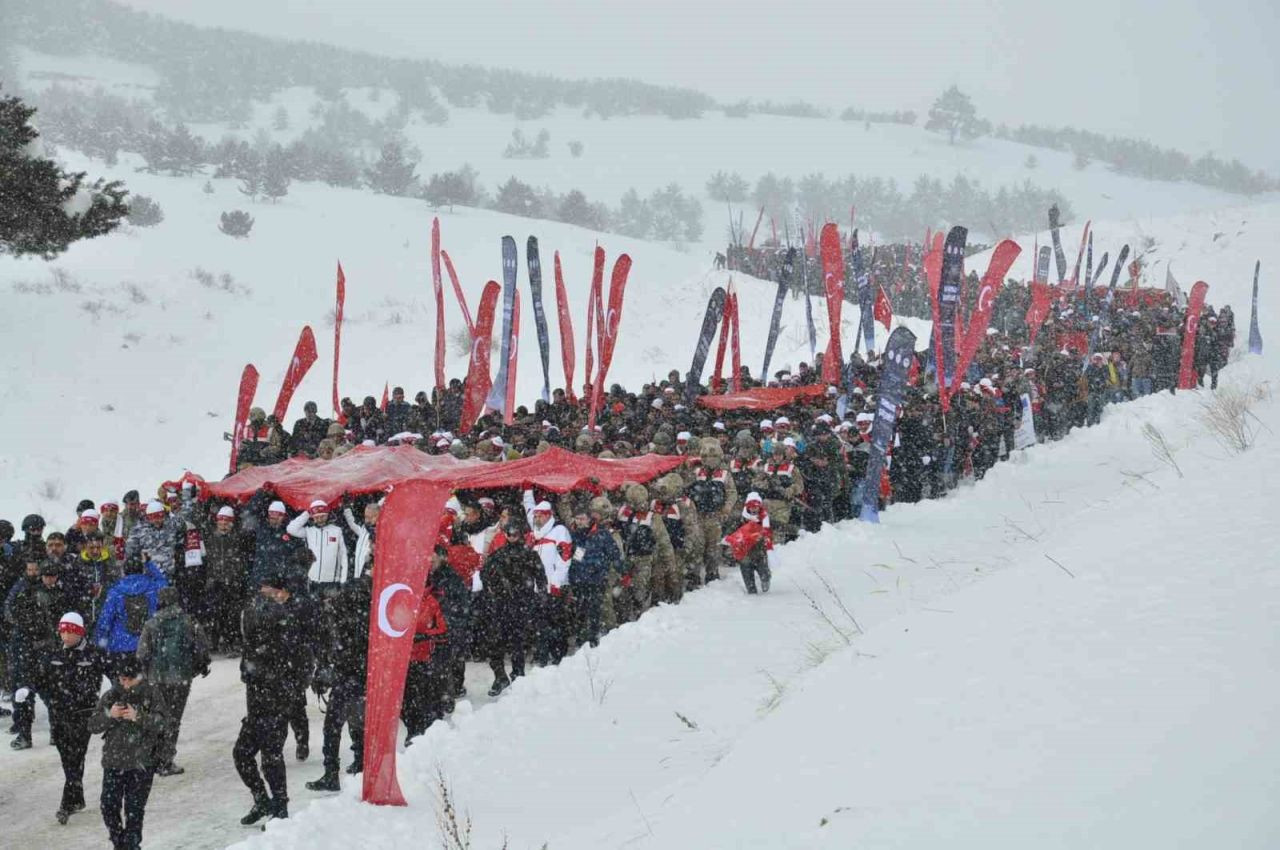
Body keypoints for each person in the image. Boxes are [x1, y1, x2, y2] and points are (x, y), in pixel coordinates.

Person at [234, 568, 309, 824]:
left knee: (271, 758)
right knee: (242, 754)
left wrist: (291, 692)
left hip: (276, 704)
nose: (262, 598)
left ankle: (280, 809)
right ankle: (262, 800)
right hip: (256, 706)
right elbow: (247, 663)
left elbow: (302, 662)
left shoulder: (286, 626)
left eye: (268, 592)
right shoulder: (255, 629)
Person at [32, 611, 107, 824]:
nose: (65, 636)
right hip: (58, 716)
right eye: (62, 632)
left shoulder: (93, 654)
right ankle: (77, 797)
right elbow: (40, 681)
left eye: (70, 632)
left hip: (83, 715)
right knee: (68, 759)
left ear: (79, 633)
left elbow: (115, 676)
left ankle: (66, 804)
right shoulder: (54, 654)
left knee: (75, 756)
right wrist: (50, 701)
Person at [87, 654, 168, 850]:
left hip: (141, 763)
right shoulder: (111, 695)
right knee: (108, 807)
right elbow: (92, 725)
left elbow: (163, 724)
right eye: (121, 679)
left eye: (127, 679)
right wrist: (110, 715)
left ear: (137, 676)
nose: (124, 683)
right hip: (113, 762)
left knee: (134, 810)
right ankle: (119, 844)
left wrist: (138, 716)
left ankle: (131, 846)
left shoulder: (151, 693)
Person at [306, 569, 370, 791]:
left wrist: (327, 673)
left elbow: (337, 652)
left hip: (347, 679)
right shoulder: (363, 619)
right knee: (356, 725)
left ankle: (333, 772)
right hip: (357, 679)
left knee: (334, 727)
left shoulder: (342, 620)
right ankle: (359, 764)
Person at [136, 587, 211, 777]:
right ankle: (165, 760)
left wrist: (147, 673)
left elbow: (142, 654)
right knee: (173, 719)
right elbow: (201, 648)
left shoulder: (151, 624)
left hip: (156, 678)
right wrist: (199, 666)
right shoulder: (188, 622)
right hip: (181, 678)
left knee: (156, 716)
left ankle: (151, 757)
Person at [6, 559, 72, 749]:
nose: (49, 579)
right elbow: (17, 618)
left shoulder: (60, 595)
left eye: (52, 576)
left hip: (48, 651)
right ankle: (26, 734)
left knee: (53, 693)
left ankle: (55, 733)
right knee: (26, 693)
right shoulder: (27, 594)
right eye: (46, 576)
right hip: (29, 651)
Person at [482, 510, 544, 697]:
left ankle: (518, 674)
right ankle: (500, 676)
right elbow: (484, 574)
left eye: (515, 533)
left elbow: (541, 578)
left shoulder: (530, 555)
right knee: (495, 643)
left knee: (517, 643)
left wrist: (539, 598)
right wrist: (492, 585)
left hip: (521, 604)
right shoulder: (498, 555)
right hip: (501, 604)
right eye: (509, 533)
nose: (512, 537)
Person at [521, 490, 573, 665]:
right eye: (536, 516)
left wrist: (556, 583)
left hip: (555, 587)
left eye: (541, 516)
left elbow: (565, 560)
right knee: (539, 623)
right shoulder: (534, 534)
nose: (537, 519)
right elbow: (528, 508)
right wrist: (527, 492)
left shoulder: (559, 531)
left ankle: (558, 654)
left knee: (556, 622)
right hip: (538, 588)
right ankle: (542, 654)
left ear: (548, 516)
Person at [94, 556, 168, 676]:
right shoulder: (153, 587)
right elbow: (164, 581)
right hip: (148, 645)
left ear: (124, 571)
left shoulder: (115, 592)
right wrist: (149, 564)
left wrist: (100, 643)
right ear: (142, 570)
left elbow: (105, 621)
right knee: (149, 687)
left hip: (121, 647)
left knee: (124, 686)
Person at [568, 497, 622, 647]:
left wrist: (620, 572)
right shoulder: (576, 535)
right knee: (580, 610)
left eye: (582, 518)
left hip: (596, 579)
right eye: (577, 518)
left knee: (595, 610)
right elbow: (574, 558)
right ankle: (581, 637)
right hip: (580, 580)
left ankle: (593, 637)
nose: (579, 521)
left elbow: (614, 554)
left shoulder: (602, 534)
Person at [204, 505, 250, 654]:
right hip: (216, 582)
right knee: (216, 613)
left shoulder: (239, 538)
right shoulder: (210, 537)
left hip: (234, 582)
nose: (223, 526)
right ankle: (217, 641)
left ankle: (234, 641)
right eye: (221, 523)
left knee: (234, 614)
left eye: (227, 523)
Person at [286, 499, 351, 596]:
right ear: (312, 518)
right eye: (316, 517)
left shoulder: (337, 531)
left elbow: (343, 556)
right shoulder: (309, 531)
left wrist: (343, 580)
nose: (320, 520)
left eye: (322, 516)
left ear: (328, 515)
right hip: (313, 581)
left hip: (332, 582)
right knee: (313, 610)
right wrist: (308, 512)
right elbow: (291, 529)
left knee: (331, 610)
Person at [721, 492, 773, 595]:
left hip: (760, 554)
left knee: (765, 576)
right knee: (751, 588)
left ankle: (765, 580)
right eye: (751, 506)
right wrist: (727, 539)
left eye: (756, 506)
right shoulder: (739, 520)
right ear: (747, 507)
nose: (754, 509)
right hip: (744, 556)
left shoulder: (764, 519)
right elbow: (729, 533)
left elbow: (778, 526)